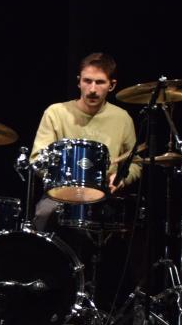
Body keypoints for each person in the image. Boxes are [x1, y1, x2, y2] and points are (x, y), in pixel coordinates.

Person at [30, 52, 141, 231]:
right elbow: (36, 159)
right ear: (78, 81)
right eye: (87, 81)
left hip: (105, 195)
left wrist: (121, 179)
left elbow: (135, 163)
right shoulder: (56, 112)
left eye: (99, 82)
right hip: (60, 195)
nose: (92, 89)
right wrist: (62, 177)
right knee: (44, 214)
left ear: (112, 85)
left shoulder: (122, 118)